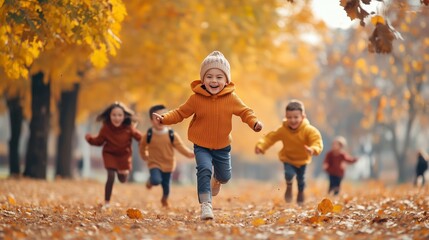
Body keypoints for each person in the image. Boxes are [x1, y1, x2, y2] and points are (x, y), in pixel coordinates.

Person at [152, 51, 263, 220]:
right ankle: (206, 205)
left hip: (222, 146)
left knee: (225, 176)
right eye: (209, 76)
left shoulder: (231, 98)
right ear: (203, 79)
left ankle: (217, 180)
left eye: (219, 77)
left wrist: (254, 123)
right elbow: (180, 113)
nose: (214, 81)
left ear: (226, 80)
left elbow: (245, 112)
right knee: (203, 169)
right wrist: (165, 119)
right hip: (201, 144)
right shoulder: (196, 99)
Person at [255, 99, 323, 204]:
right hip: (288, 158)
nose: (292, 120)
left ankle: (301, 192)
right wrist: (261, 146)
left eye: (296, 117)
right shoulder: (283, 130)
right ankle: (289, 186)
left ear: (303, 116)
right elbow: (270, 138)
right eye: (289, 117)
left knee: (301, 181)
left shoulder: (309, 130)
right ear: (286, 117)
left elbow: (316, 141)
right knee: (289, 174)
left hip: (302, 160)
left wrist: (313, 149)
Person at [85, 101, 142, 209]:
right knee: (110, 175)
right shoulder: (106, 128)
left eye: (119, 115)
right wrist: (89, 139)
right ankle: (107, 202)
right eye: (114, 115)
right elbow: (99, 141)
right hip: (109, 154)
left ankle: (123, 173)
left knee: (122, 179)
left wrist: (147, 140)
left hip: (124, 155)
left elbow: (140, 137)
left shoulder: (129, 127)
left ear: (124, 116)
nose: (117, 118)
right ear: (109, 116)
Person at [139, 104, 195, 208]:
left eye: (163, 117)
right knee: (156, 180)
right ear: (151, 121)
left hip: (168, 164)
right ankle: (151, 181)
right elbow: (142, 146)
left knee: (166, 186)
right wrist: (144, 155)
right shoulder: (149, 134)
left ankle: (164, 199)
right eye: (157, 118)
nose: (160, 120)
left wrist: (189, 153)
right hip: (154, 163)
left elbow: (180, 147)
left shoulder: (171, 134)